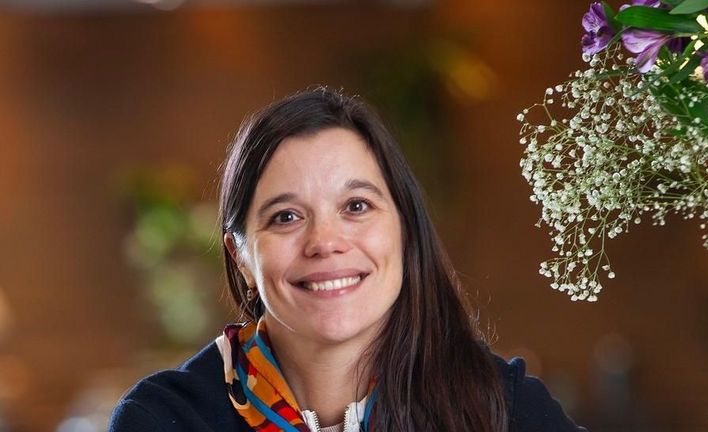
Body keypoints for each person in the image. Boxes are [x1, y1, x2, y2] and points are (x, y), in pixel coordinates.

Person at [109, 87, 587, 432]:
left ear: (405, 230)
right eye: (286, 216)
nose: (325, 241)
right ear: (241, 259)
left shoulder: (502, 407)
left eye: (356, 206)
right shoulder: (165, 419)